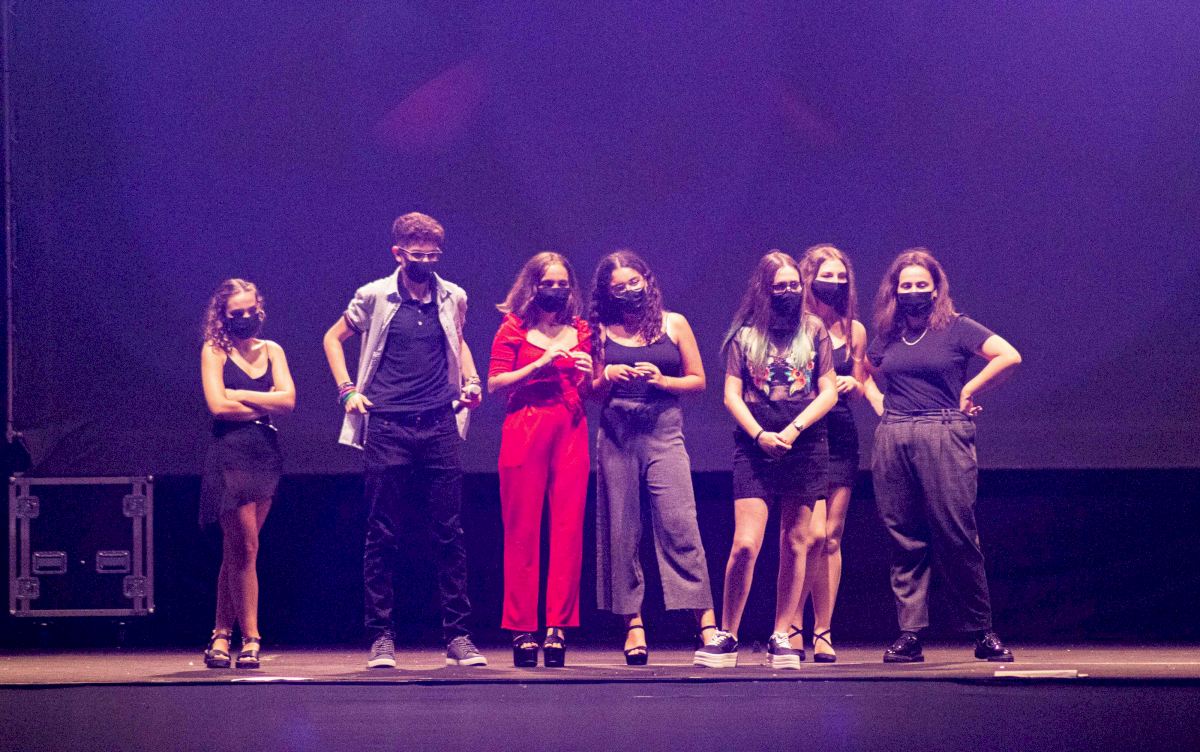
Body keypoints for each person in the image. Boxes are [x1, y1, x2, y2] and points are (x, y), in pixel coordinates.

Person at [322, 212, 487, 669]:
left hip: (437, 423)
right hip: (388, 426)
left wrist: (472, 380)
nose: (426, 263)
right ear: (398, 253)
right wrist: (347, 390)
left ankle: (458, 637)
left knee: (449, 531)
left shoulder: (452, 296)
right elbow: (333, 338)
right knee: (382, 532)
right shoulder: (375, 295)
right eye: (418, 255)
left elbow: (458, 340)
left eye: (434, 256)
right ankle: (381, 637)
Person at [863, 248, 1021, 663]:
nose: (914, 291)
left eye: (922, 285)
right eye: (906, 285)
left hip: (943, 428)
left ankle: (982, 631)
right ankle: (910, 634)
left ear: (936, 290)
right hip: (895, 433)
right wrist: (879, 402)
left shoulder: (956, 327)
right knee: (904, 535)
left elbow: (1008, 355)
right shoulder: (889, 334)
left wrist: (970, 390)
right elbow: (866, 371)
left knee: (956, 532)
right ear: (895, 291)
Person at [694, 251, 837, 669]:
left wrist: (794, 430)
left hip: (804, 441)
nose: (789, 292)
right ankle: (728, 634)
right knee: (745, 544)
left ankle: (781, 635)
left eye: (794, 285)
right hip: (755, 442)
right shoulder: (744, 336)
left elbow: (828, 390)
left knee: (797, 542)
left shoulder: (814, 330)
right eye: (780, 286)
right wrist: (759, 434)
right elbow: (731, 395)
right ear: (764, 289)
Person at [589, 250, 717, 666]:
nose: (629, 290)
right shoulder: (599, 331)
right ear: (607, 293)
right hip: (618, 432)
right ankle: (633, 625)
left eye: (634, 282)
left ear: (647, 279)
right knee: (622, 530)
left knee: (680, 523)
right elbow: (589, 391)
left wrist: (663, 380)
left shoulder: (673, 323)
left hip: (664, 429)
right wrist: (607, 376)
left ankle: (706, 624)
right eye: (619, 287)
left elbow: (698, 380)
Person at [487, 252, 593, 667]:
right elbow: (496, 382)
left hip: (569, 427)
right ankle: (522, 629)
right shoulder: (513, 328)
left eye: (562, 284)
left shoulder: (580, 330)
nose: (556, 290)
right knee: (522, 530)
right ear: (533, 286)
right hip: (525, 425)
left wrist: (589, 372)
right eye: (548, 283)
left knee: (568, 530)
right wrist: (542, 362)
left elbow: (588, 387)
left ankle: (557, 628)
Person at [199, 279, 295, 669]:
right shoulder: (214, 350)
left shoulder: (272, 350)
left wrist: (240, 394)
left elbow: (288, 401)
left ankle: (220, 636)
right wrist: (264, 402)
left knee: (236, 551)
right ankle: (252, 638)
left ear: (260, 307)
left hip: (264, 455)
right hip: (230, 453)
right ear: (223, 316)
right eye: (235, 313)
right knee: (247, 547)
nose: (244, 318)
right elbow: (218, 407)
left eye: (249, 311)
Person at [789, 244, 867, 663]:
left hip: (840, 435)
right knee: (810, 535)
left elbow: (860, 382)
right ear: (809, 279)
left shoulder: (854, 330)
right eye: (826, 277)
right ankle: (789, 625)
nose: (834, 284)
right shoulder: (794, 325)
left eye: (841, 277)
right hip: (805, 434)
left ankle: (823, 631)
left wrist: (854, 385)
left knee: (832, 537)